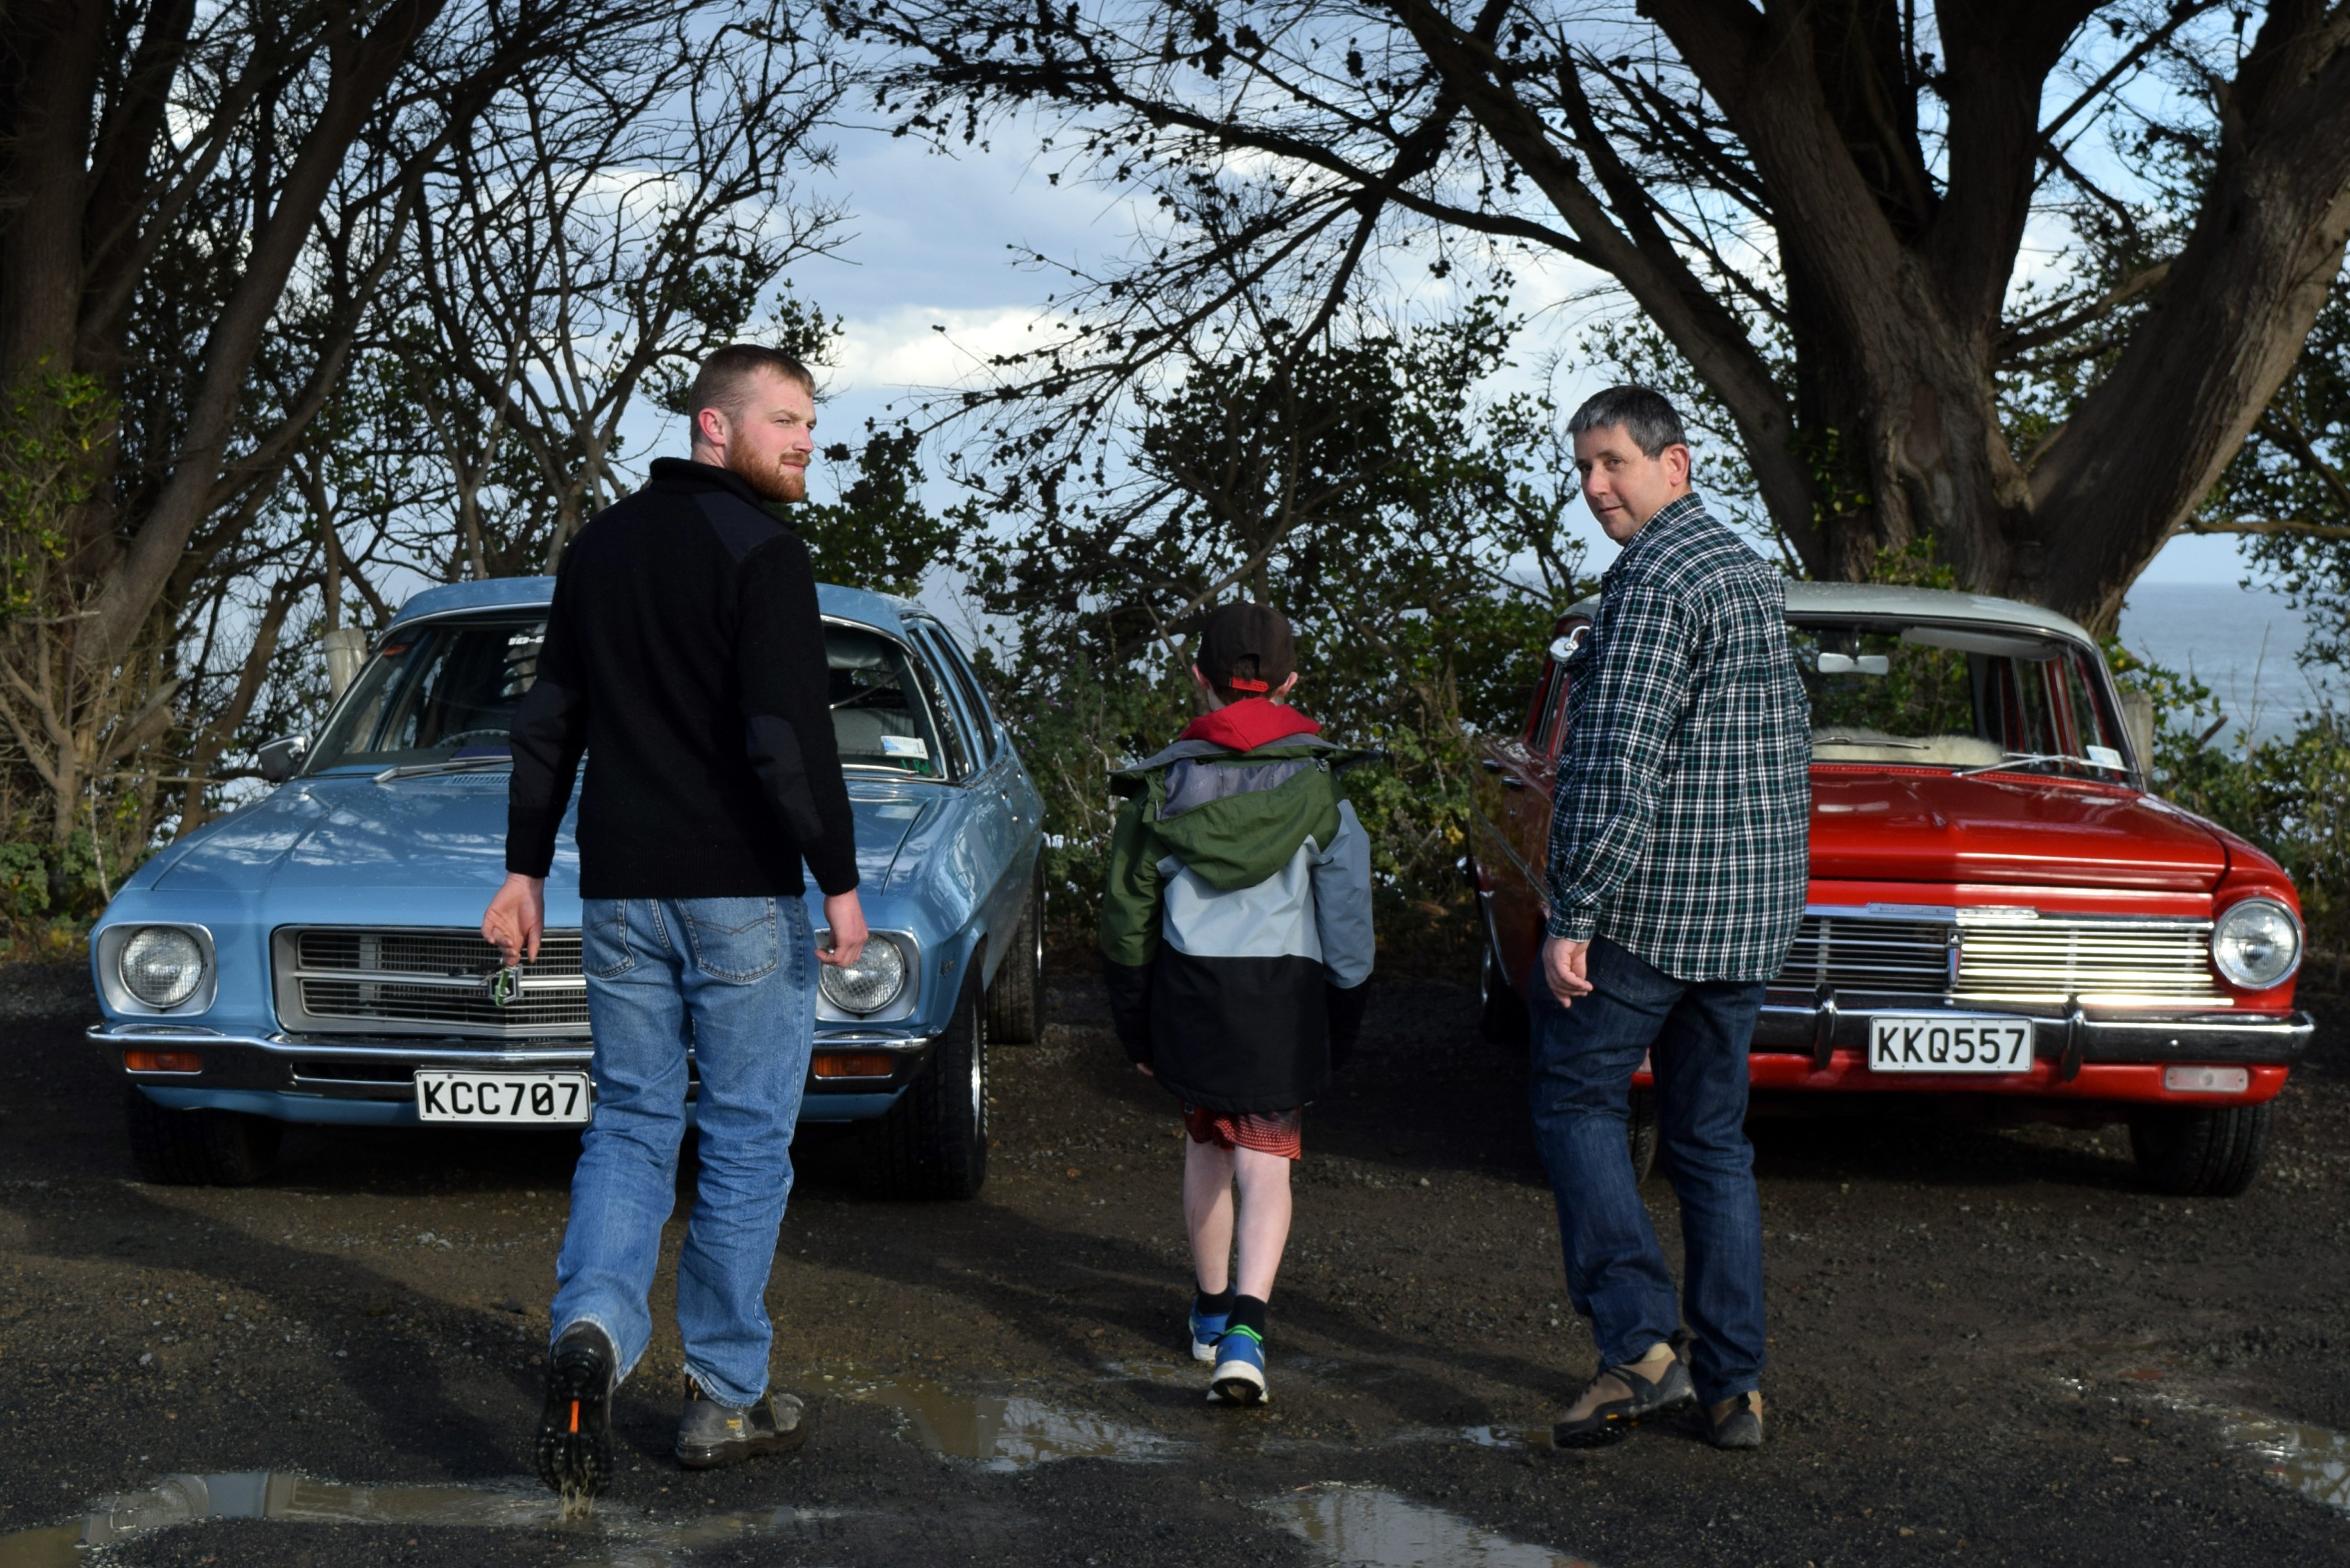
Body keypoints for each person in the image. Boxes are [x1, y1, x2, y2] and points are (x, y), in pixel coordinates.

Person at [481, 343, 867, 1498]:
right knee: (745, 1137)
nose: (806, 441)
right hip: (740, 891)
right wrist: (838, 880)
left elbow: (551, 718)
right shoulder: (762, 552)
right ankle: (724, 1399)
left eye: (810, 422)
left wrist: (522, 869)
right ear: (715, 425)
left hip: (619, 892)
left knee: (633, 1127)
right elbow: (785, 737)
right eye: (786, 419)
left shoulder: (597, 549)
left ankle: (592, 1332)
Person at [1532, 386, 1808, 1452]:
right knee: (1710, 1146)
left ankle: (1642, 1348)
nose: (1595, 485)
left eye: (1613, 462)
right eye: (1585, 468)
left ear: (1674, 464)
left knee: (1573, 1102)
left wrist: (1574, 913)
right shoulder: (1744, 570)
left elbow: (1614, 764)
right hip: (1745, 923)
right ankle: (1734, 1386)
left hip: (1650, 919)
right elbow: (1781, 754)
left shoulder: (1651, 583)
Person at [1099, 602, 1374, 1406]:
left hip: (1192, 998)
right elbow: (1349, 925)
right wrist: (1345, 1015)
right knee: (1266, 1159)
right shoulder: (1324, 792)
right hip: (1284, 1001)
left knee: (1208, 1147)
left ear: (1198, 678)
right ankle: (1248, 1334)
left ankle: (1212, 1312)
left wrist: (1134, 1022)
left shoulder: (1162, 789)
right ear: (1289, 683)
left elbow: (1126, 923)